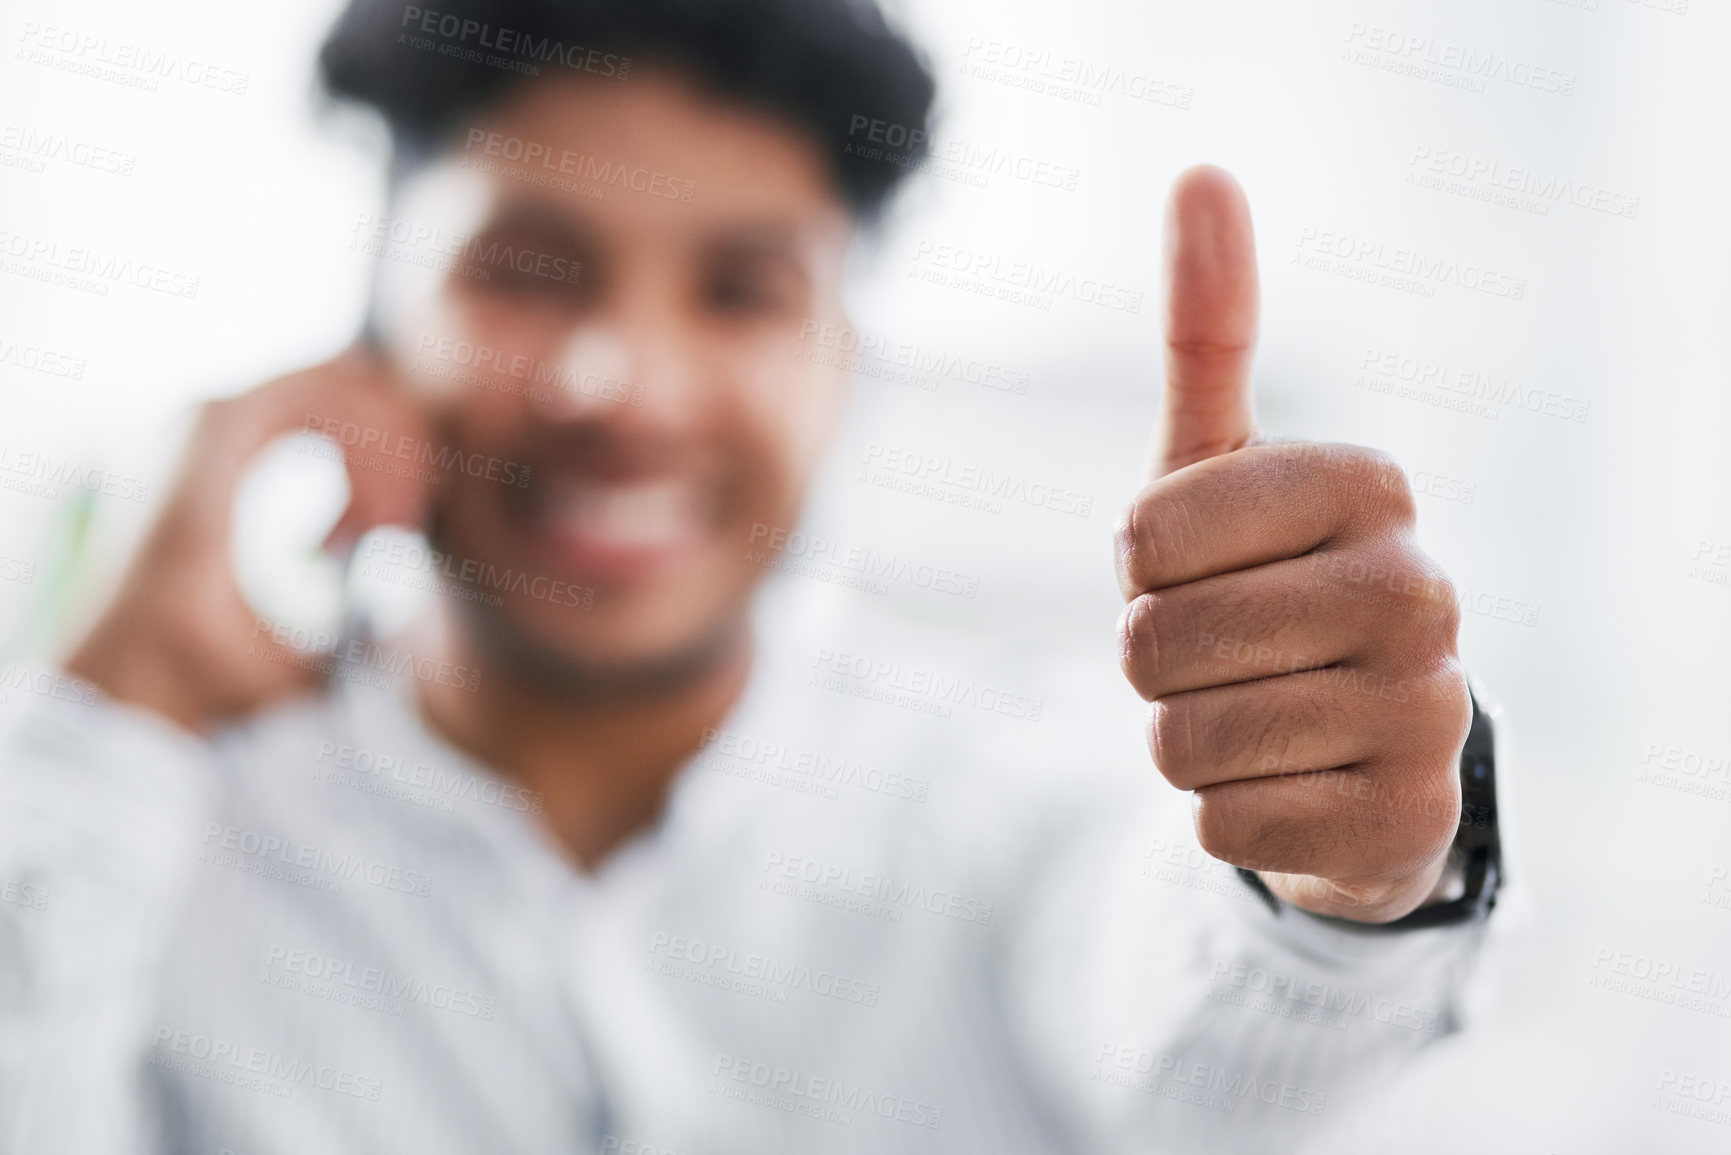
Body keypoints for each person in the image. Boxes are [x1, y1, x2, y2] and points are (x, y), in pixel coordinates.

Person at [0, 0, 1496, 1151]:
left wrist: (1340, 884)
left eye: (741, 291)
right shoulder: (149, 841)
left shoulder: (1011, 798)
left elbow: (1212, 1059)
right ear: (370, 315)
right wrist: (110, 703)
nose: (625, 385)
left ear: (851, 358)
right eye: (527, 265)